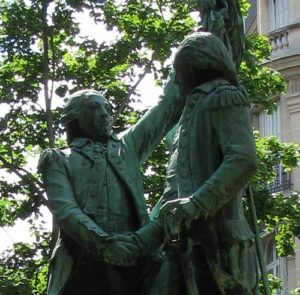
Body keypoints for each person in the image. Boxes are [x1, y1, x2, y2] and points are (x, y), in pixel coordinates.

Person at [135, 32, 259, 294]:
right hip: (183, 245)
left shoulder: (225, 97)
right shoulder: (188, 114)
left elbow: (242, 159)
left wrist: (197, 203)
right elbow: (174, 188)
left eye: (179, 71)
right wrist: (145, 238)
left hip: (221, 243)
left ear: (196, 66)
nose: (177, 80)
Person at [38, 73, 182, 295]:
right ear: (75, 116)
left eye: (107, 109)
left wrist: (184, 62)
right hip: (83, 265)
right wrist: (104, 245)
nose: (105, 114)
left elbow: (166, 107)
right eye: (95, 108)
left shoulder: (128, 146)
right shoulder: (57, 159)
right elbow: (66, 210)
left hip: (136, 261)